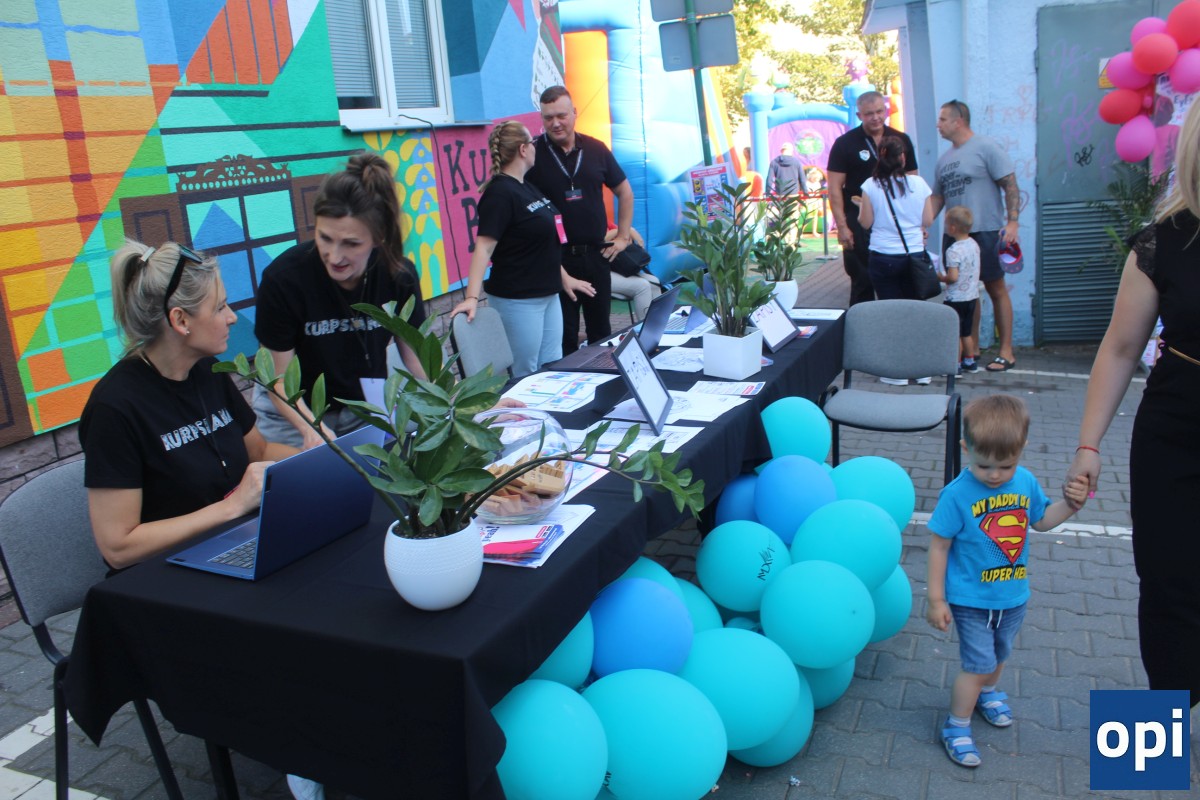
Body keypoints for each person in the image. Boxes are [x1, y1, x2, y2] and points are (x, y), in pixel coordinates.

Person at [1067, 98, 1200, 708]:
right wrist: (1088, 445)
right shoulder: (1165, 239)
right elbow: (1120, 348)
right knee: (1167, 586)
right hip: (1174, 433)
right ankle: (1156, 737)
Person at [79, 241, 295, 570]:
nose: (232, 317)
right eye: (219, 308)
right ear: (180, 320)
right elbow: (118, 548)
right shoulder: (114, 408)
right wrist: (231, 508)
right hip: (165, 574)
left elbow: (259, 452)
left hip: (233, 544)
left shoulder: (208, 370)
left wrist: (332, 460)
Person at [927, 394, 1088, 768]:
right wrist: (936, 599)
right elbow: (938, 546)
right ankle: (956, 726)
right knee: (977, 664)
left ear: (1022, 449)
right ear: (966, 448)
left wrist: (1071, 505)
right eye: (984, 465)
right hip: (971, 600)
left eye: (1006, 465)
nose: (995, 475)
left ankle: (988, 692)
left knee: (999, 655)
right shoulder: (957, 495)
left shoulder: (1025, 481)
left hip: (1013, 596)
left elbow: (1041, 521)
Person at [253, 152, 427, 448]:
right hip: (292, 413)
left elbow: (418, 357)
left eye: (351, 243)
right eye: (325, 238)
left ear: (379, 237)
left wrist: (460, 404)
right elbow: (278, 379)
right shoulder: (284, 279)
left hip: (362, 405)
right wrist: (312, 430)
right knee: (316, 476)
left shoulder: (399, 276)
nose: (334, 257)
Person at [450, 120, 593, 376]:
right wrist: (471, 297)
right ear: (523, 149)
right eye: (533, 142)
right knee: (525, 370)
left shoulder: (526, 186)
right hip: (519, 298)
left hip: (548, 293)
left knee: (552, 365)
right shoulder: (500, 193)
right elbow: (483, 248)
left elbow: (541, 243)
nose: (536, 147)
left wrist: (564, 278)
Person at [526, 85, 635, 355]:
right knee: (563, 338)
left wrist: (622, 237)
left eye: (561, 115)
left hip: (597, 255)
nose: (555, 123)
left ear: (574, 113)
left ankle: (604, 378)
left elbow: (625, 192)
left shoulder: (596, 149)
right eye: (548, 117)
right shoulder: (532, 154)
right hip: (556, 260)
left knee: (602, 334)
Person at [927, 100, 1021, 373]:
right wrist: (922, 226)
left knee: (995, 288)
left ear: (958, 121)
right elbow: (937, 198)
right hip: (955, 237)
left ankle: (1006, 352)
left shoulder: (986, 147)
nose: (938, 125)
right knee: (965, 292)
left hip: (986, 231)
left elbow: (1010, 184)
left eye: (943, 119)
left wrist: (1013, 222)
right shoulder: (944, 160)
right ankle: (973, 350)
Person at [827, 91, 919, 307]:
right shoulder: (845, 143)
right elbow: (834, 188)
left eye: (879, 111)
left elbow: (913, 182)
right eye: (869, 114)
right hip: (859, 219)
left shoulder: (901, 140)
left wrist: (917, 224)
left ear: (886, 110)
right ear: (859, 115)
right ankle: (861, 326)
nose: (876, 117)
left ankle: (900, 324)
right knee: (862, 280)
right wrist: (842, 227)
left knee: (900, 282)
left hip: (895, 220)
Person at [940, 206, 982, 374]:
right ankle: (970, 362)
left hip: (955, 298)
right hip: (971, 296)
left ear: (952, 228)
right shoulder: (974, 244)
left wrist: (940, 277)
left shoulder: (953, 250)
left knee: (954, 333)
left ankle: (955, 365)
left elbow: (953, 277)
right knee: (966, 332)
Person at [606, 225, 662, 323]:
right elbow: (599, 241)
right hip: (597, 272)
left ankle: (660, 324)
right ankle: (645, 327)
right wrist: (621, 232)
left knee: (654, 281)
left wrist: (626, 235)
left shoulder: (605, 221)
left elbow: (628, 235)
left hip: (614, 267)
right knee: (642, 286)